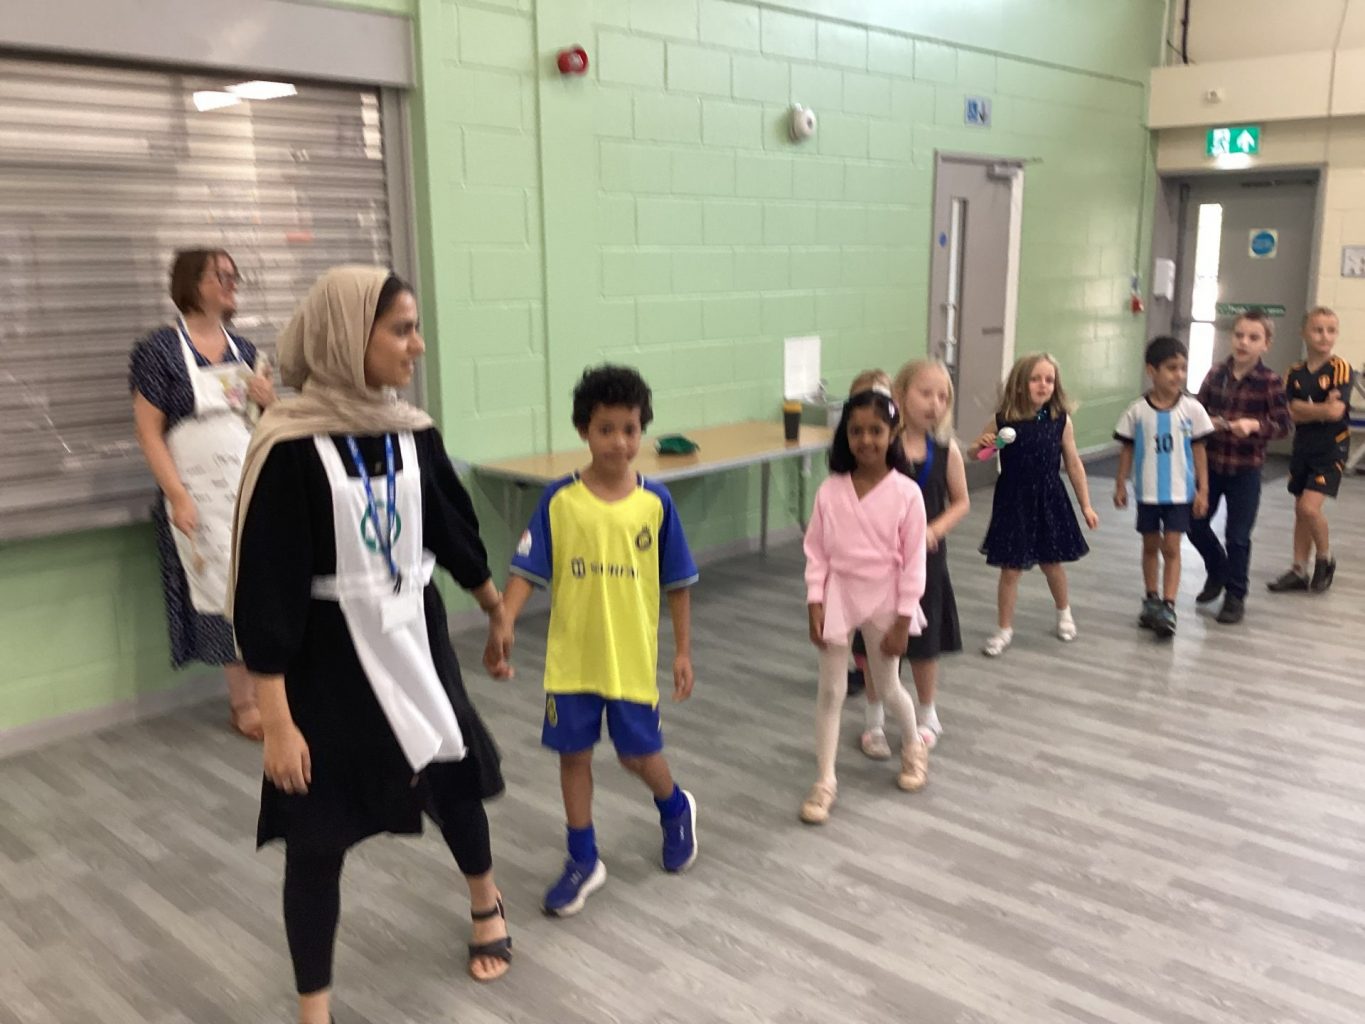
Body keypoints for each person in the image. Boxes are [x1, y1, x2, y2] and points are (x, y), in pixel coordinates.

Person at [230, 267, 514, 1024]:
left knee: (453, 780)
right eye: (401, 330)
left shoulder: (411, 432)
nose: (416, 346)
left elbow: (452, 528)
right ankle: (314, 1009)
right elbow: (267, 591)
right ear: (347, 337)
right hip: (327, 667)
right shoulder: (288, 446)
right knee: (315, 837)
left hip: (416, 639)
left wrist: (494, 609)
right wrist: (277, 721)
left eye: (415, 328)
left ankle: (486, 900)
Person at [485, 365, 699, 918]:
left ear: (642, 431)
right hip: (572, 661)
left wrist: (682, 651)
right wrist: (505, 621)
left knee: (637, 754)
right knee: (573, 755)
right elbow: (527, 571)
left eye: (630, 429)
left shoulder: (656, 503)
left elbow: (677, 583)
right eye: (606, 429)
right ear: (584, 430)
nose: (619, 442)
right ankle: (582, 858)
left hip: (630, 661)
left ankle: (675, 806)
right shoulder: (559, 500)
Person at [130, 248, 275, 738]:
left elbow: (262, 425)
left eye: (235, 276)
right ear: (192, 283)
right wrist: (178, 496)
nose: (232, 284)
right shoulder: (159, 352)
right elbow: (148, 431)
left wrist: (268, 402)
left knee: (261, 590)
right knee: (221, 592)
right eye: (221, 276)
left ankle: (274, 696)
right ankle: (243, 702)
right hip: (198, 498)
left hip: (248, 489)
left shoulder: (246, 350)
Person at [800, 386, 929, 825]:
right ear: (846, 436)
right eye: (857, 431)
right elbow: (816, 552)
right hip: (839, 593)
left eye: (876, 430)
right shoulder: (830, 491)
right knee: (830, 691)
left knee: (888, 687)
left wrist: (903, 620)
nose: (866, 440)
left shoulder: (907, 494)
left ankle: (914, 746)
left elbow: (914, 564)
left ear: (892, 433)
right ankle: (825, 780)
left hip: (885, 597)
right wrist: (815, 601)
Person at [855, 359, 968, 756]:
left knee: (924, 643)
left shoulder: (947, 451)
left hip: (925, 568)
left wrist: (934, 530)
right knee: (877, 645)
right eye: (926, 393)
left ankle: (927, 715)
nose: (935, 403)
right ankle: (874, 721)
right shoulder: (882, 448)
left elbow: (961, 501)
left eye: (943, 396)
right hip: (880, 566)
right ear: (900, 395)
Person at [972, 353, 1098, 657]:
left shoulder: (1060, 421)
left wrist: (1086, 505)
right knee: (1010, 570)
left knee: (1051, 563)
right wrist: (985, 445)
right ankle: (1004, 629)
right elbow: (980, 455)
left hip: (1048, 497)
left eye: (1049, 380)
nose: (1043, 385)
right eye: (1035, 379)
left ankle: (1064, 612)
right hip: (1013, 500)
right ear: (1020, 384)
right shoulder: (1003, 420)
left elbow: (1074, 463)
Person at [1188, 311, 1292, 624]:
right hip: (1211, 467)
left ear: (1266, 344)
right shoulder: (1215, 374)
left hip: (1246, 470)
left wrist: (1255, 425)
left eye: (1253, 337)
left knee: (1238, 536)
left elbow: (1284, 425)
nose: (1244, 342)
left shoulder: (1270, 381)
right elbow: (1196, 413)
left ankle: (1235, 595)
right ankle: (1217, 569)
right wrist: (1209, 422)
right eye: (1239, 335)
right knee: (1194, 524)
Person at [1113, 336, 1214, 638]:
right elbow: (1127, 449)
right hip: (1147, 493)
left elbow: (1199, 451)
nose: (1178, 375)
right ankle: (1151, 599)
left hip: (1180, 494)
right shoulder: (1136, 412)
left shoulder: (1193, 410)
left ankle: (1169, 605)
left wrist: (1203, 489)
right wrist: (1120, 484)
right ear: (1152, 371)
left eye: (1183, 368)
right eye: (1171, 368)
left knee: (1171, 547)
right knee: (1150, 546)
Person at [1268, 307, 1355, 594]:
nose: (1324, 336)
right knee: (1300, 510)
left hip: (1331, 449)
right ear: (1304, 333)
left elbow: (1335, 412)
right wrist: (1319, 409)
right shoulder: (1294, 372)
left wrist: (1303, 408)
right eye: (1318, 330)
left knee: (1309, 507)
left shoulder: (1340, 368)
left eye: (1331, 330)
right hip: (1303, 448)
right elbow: (1287, 413)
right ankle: (1298, 569)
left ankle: (1325, 559)